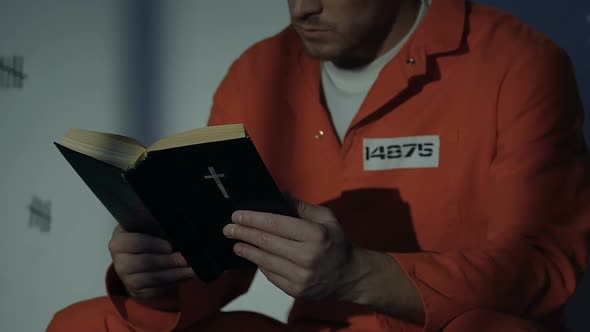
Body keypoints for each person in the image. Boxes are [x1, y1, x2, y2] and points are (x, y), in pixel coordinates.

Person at [48, 0, 590, 331]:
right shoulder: (258, 71)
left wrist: (358, 275)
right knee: (83, 323)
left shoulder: (518, 62)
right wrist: (157, 279)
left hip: (454, 326)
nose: (302, 7)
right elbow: (227, 260)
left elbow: (544, 263)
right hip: (312, 328)